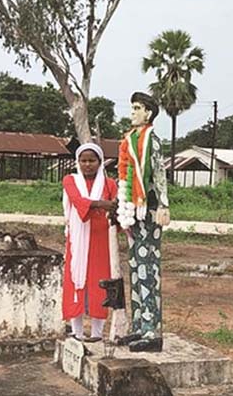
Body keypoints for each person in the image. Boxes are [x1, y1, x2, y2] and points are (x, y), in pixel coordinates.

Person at [114, 92, 170, 352]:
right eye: (133, 107)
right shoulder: (130, 139)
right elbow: (125, 173)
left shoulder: (152, 141)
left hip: (149, 209)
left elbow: (158, 174)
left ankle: (151, 331)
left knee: (149, 270)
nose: (133, 112)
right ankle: (139, 325)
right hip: (132, 209)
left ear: (149, 113)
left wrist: (163, 205)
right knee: (136, 267)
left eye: (138, 108)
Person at [62, 143, 117, 342]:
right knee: (75, 281)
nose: (87, 165)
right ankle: (76, 331)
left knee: (99, 283)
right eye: (83, 160)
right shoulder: (70, 180)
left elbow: (117, 209)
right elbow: (78, 202)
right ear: (78, 162)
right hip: (77, 239)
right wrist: (103, 204)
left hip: (101, 239)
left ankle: (96, 333)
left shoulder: (110, 184)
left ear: (100, 162)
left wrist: (115, 210)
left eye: (92, 160)